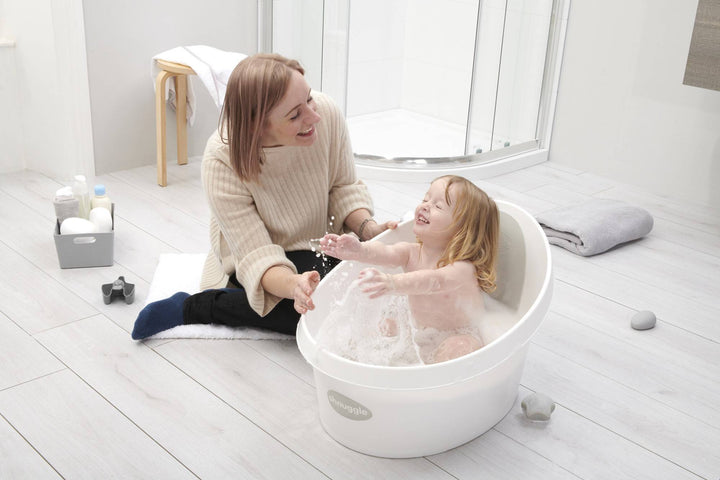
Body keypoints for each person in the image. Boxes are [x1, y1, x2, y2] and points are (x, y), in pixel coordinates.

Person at [132, 53, 396, 340]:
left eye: (308, 99)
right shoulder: (222, 159)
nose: (314, 116)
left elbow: (342, 188)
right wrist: (295, 286)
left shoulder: (327, 114)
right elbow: (256, 254)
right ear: (258, 125)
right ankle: (198, 306)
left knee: (373, 293)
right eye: (295, 115)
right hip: (260, 254)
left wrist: (368, 229)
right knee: (321, 314)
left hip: (320, 243)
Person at [319, 175, 499, 363]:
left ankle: (432, 383)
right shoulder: (411, 252)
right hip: (417, 331)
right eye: (425, 199)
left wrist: (392, 283)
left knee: (460, 348)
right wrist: (358, 250)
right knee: (383, 327)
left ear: (463, 230)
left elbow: (434, 280)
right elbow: (385, 251)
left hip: (458, 334)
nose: (425, 206)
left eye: (438, 206)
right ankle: (354, 361)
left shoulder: (463, 269)